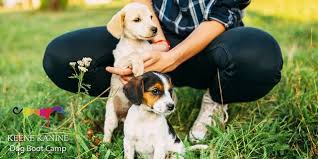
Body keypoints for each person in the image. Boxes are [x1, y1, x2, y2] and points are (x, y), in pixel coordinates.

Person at [43, 0, 283, 141]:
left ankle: (217, 99)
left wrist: (172, 58)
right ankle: (135, 101)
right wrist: (158, 44)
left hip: (214, 41)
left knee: (260, 56)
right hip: (154, 34)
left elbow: (223, 13)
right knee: (61, 56)